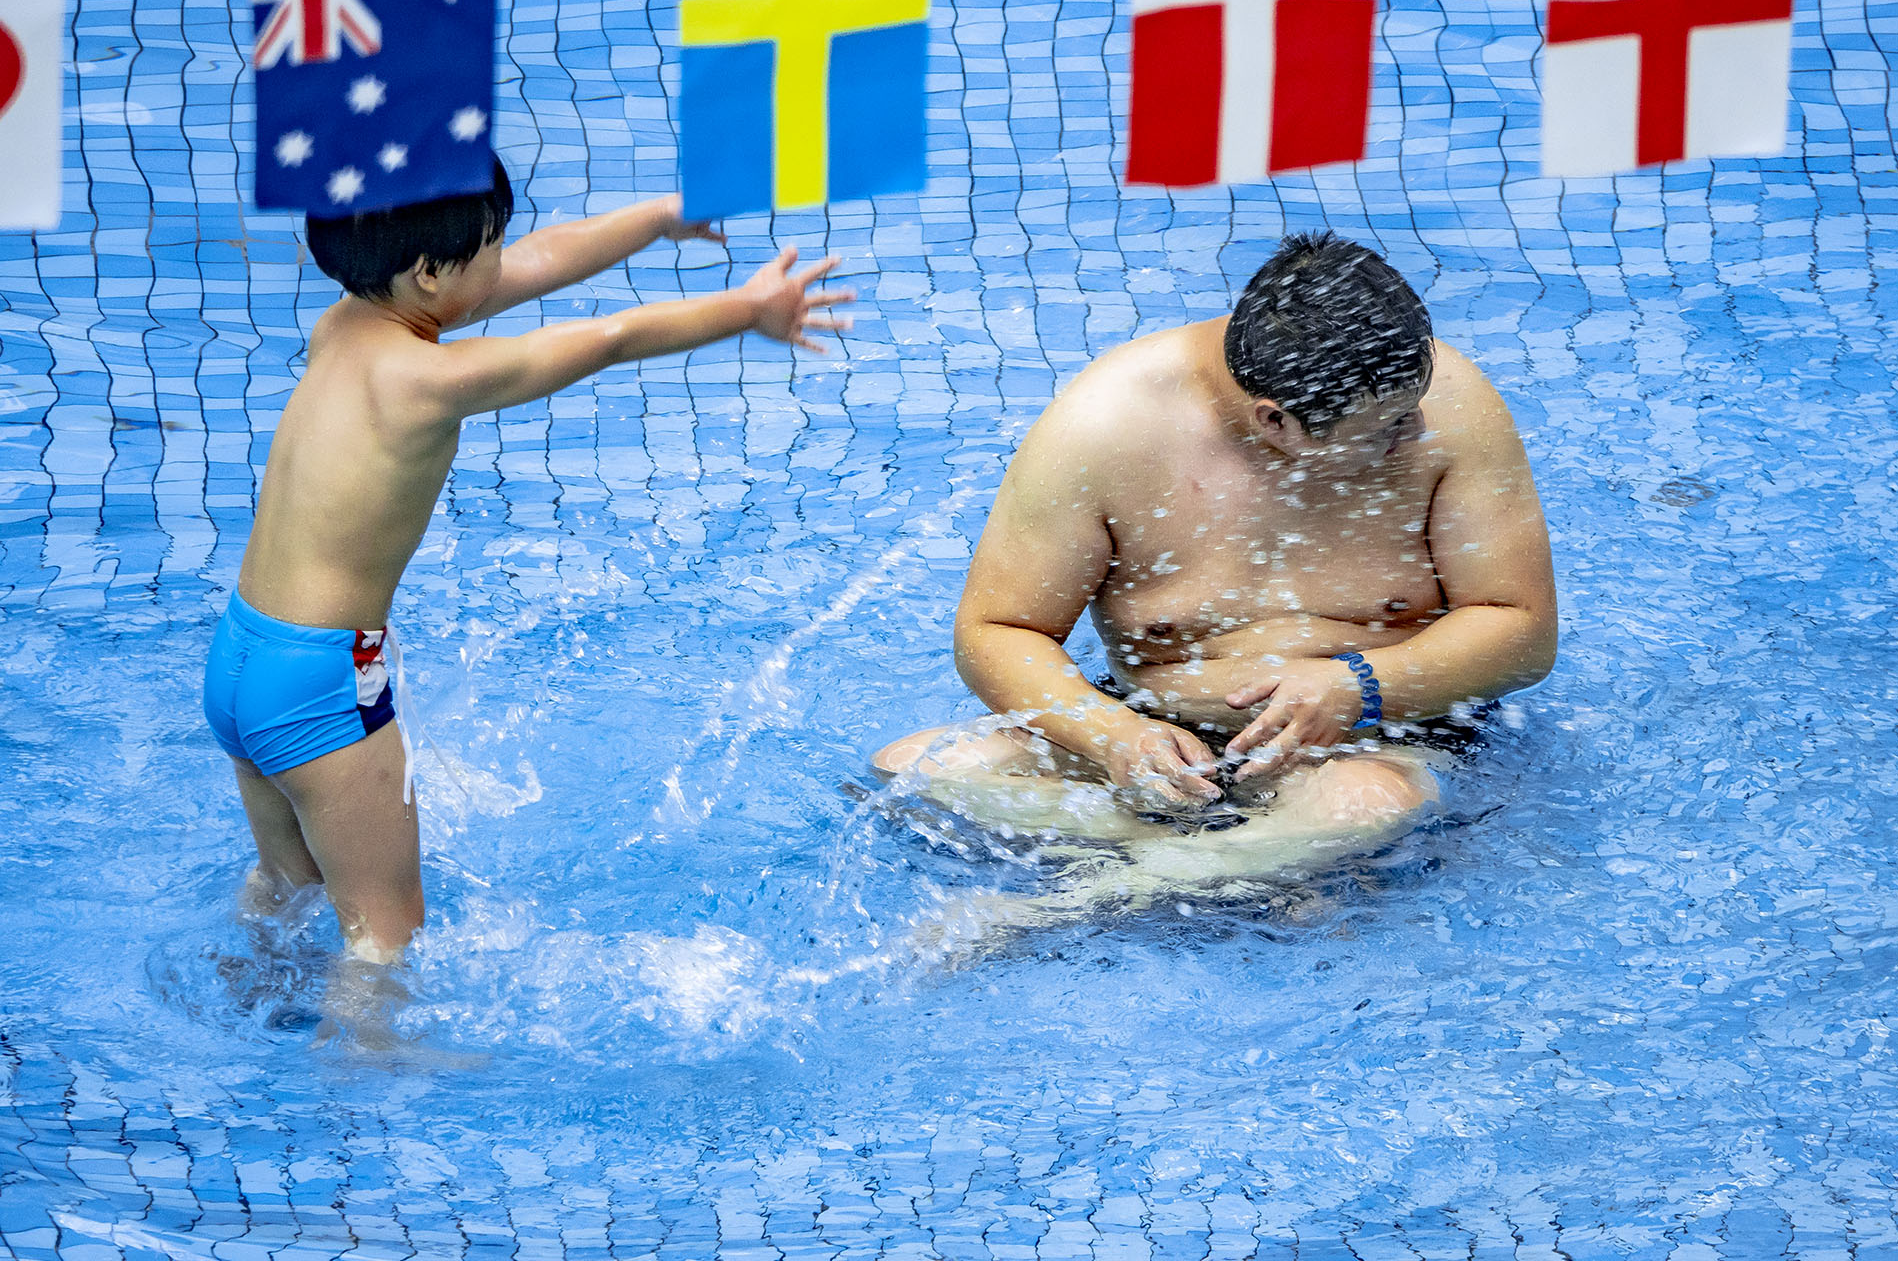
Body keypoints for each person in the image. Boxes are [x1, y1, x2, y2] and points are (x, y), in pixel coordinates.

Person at [205, 159, 851, 968]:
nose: (507, 257)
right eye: (492, 245)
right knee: (384, 935)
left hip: (242, 658)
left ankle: (240, 999)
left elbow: (544, 260)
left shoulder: (344, 325)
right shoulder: (431, 380)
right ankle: (362, 1053)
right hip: (320, 682)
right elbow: (608, 341)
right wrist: (749, 309)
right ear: (430, 273)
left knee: (286, 886)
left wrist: (661, 216)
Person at [872, 231, 1556, 932]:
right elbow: (996, 630)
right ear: (1276, 420)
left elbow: (1523, 631)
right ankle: (1250, 864)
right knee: (916, 769)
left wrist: (1359, 684)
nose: (1413, 434)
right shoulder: (1107, 428)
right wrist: (1114, 737)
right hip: (1166, 738)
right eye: (1384, 429)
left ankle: (1067, 905)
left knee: (1364, 805)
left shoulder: (1448, 404)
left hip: (1380, 733)